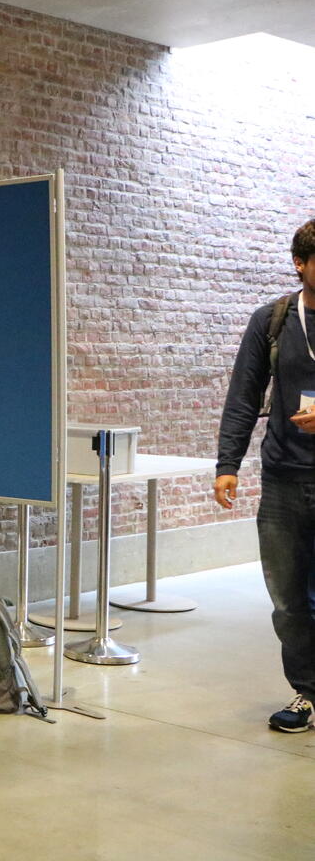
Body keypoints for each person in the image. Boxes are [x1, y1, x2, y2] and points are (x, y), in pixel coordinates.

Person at [216, 218, 315, 734]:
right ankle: (308, 693)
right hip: (283, 480)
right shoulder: (273, 321)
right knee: (288, 603)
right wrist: (227, 465)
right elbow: (243, 394)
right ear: (300, 264)